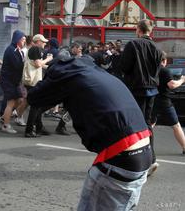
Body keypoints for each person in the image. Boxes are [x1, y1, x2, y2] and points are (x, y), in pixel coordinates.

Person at [27, 56, 152, 211]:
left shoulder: (65, 77)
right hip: (144, 151)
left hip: (120, 157)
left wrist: (50, 80)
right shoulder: (97, 73)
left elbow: (34, 97)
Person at [120, 19, 163, 175]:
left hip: (136, 88)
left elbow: (124, 66)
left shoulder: (133, 44)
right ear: (150, 31)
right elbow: (158, 69)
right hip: (151, 90)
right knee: (147, 124)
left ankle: (134, 159)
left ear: (138, 29)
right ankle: (151, 159)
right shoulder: (157, 48)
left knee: (132, 123)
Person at [151, 51, 185, 155]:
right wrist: (182, 80)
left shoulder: (151, 70)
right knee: (176, 125)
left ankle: (143, 149)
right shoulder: (165, 70)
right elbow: (172, 85)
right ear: (164, 61)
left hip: (152, 100)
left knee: (150, 125)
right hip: (164, 102)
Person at [23, 34, 53, 137]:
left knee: (37, 105)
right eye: (43, 41)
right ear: (38, 41)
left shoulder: (35, 49)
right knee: (35, 106)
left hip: (33, 81)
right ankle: (29, 130)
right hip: (33, 82)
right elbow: (38, 64)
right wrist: (48, 59)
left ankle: (39, 128)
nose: (45, 43)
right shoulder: (35, 49)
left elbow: (38, 64)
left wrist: (50, 66)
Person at [0, 30, 26, 134]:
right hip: (8, 80)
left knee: (20, 100)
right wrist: (28, 64)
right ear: (17, 39)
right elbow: (17, 66)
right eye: (23, 39)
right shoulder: (12, 50)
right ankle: (6, 125)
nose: (24, 41)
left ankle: (4, 117)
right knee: (11, 103)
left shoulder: (18, 50)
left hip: (15, 81)